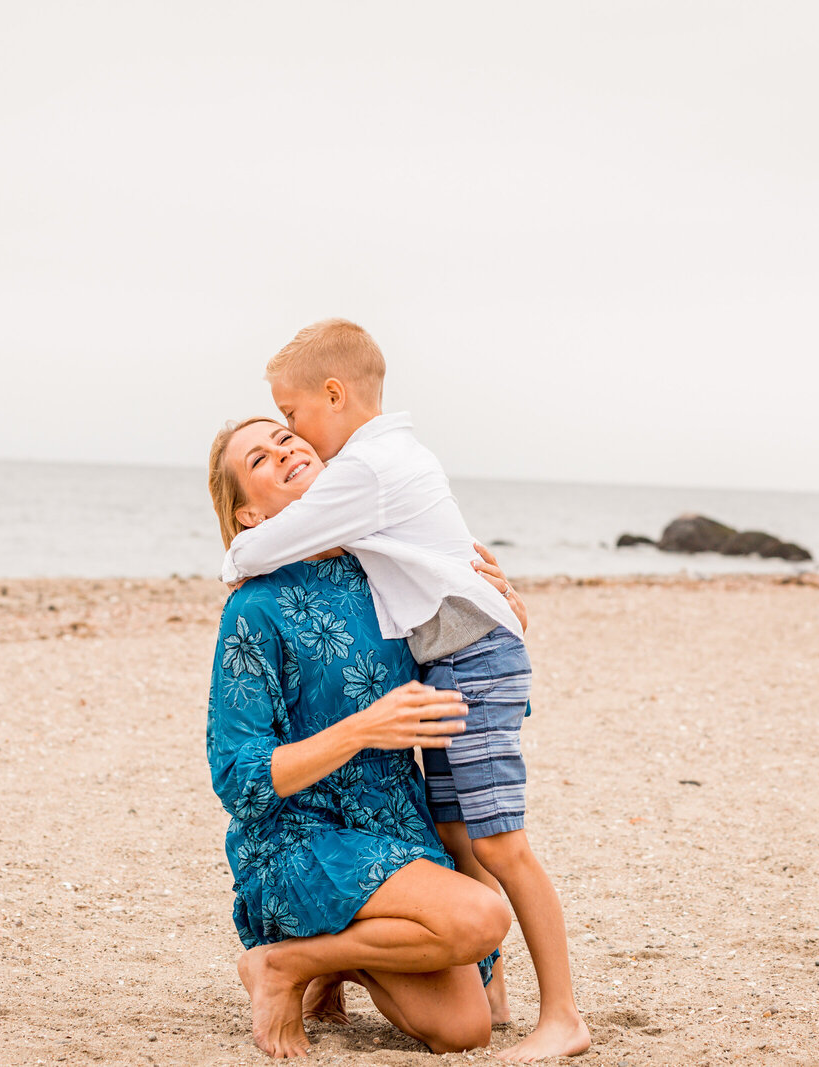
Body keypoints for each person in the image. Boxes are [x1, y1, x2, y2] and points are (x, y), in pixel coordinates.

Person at [219, 320, 590, 1062]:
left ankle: (529, 1001)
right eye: (265, 451)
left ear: (332, 396)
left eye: (289, 424)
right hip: (307, 833)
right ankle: (306, 960)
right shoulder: (265, 602)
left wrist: (493, 597)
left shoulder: (370, 515)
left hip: (416, 781)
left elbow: (426, 564)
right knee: (473, 860)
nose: (292, 440)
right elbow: (239, 775)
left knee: (469, 993)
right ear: (246, 505)